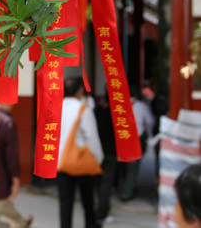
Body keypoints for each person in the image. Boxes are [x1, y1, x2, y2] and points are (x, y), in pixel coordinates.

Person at [57, 77, 104, 228]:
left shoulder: (57, 108)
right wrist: (98, 158)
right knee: (87, 202)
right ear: (80, 91)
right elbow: (91, 136)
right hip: (82, 160)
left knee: (65, 202)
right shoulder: (83, 109)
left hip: (61, 161)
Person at [118, 85, 155, 201]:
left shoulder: (120, 105)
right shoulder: (141, 106)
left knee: (122, 166)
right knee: (133, 167)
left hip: (122, 139)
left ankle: (121, 189)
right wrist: (149, 134)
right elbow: (150, 121)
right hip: (135, 139)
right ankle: (127, 192)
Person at [94, 93, 117, 225]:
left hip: (97, 152)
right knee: (106, 183)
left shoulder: (96, 111)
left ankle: (100, 209)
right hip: (110, 152)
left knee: (98, 182)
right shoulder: (116, 114)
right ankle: (102, 212)